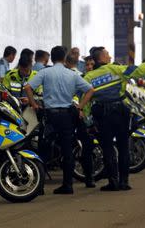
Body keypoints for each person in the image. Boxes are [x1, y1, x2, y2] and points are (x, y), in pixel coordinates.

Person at [84, 47, 145, 191]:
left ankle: (113, 182)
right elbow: (140, 70)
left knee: (107, 149)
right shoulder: (117, 70)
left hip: (102, 115)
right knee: (123, 147)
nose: (110, 56)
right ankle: (124, 182)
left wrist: (88, 122)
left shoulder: (88, 77)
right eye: (107, 54)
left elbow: (85, 101)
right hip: (120, 113)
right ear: (101, 59)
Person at [24, 46, 95, 194]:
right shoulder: (72, 74)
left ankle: (40, 187)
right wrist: (80, 107)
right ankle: (68, 185)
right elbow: (90, 90)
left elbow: (28, 87)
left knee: (44, 150)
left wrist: (34, 105)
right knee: (67, 150)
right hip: (68, 116)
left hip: (50, 116)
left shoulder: (45, 72)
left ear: (51, 58)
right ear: (64, 58)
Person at [65, 51, 96, 187]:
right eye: (87, 65)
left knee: (89, 148)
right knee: (84, 148)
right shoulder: (81, 78)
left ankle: (90, 177)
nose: (89, 67)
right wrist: (80, 109)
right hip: (83, 118)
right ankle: (88, 178)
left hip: (96, 117)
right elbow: (75, 96)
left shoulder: (97, 79)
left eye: (91, 64)